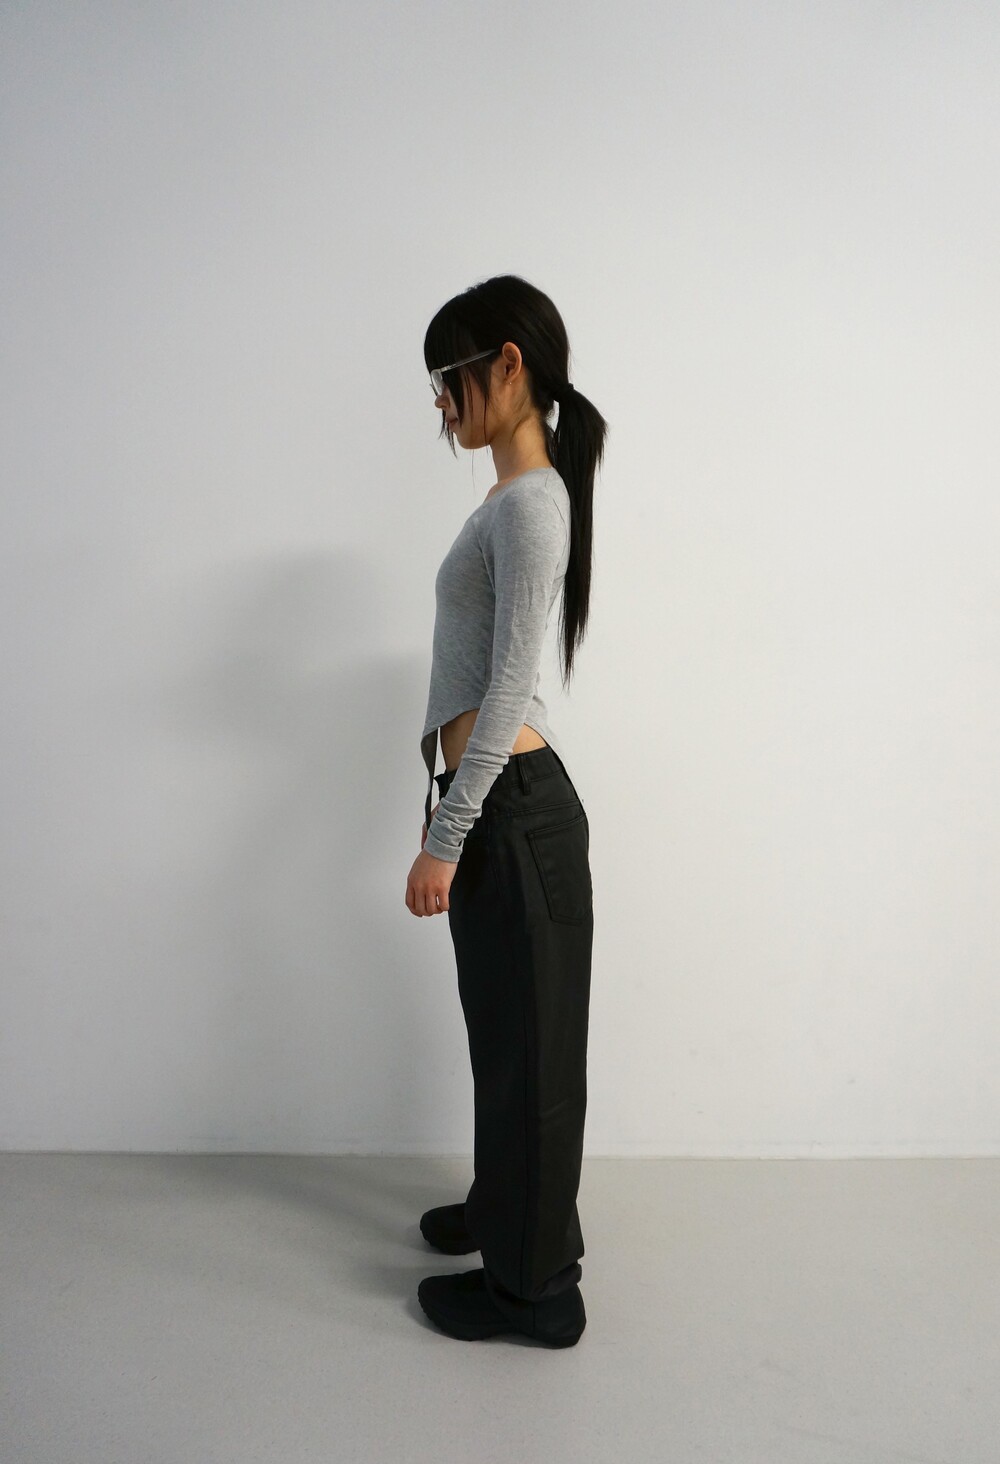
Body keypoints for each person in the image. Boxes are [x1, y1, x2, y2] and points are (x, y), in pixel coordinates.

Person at [405, 274, 608, 1347]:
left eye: (450, 378)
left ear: (509, 365)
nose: (442, 405)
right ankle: (504, 1213)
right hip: (499, 808)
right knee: (507, 1042)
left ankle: (535, 1292)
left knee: (534, 1063)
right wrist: (451, 815)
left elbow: (510, 685)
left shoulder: (532, 505)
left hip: (515, 816)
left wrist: (447, 838)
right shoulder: (510, 500)